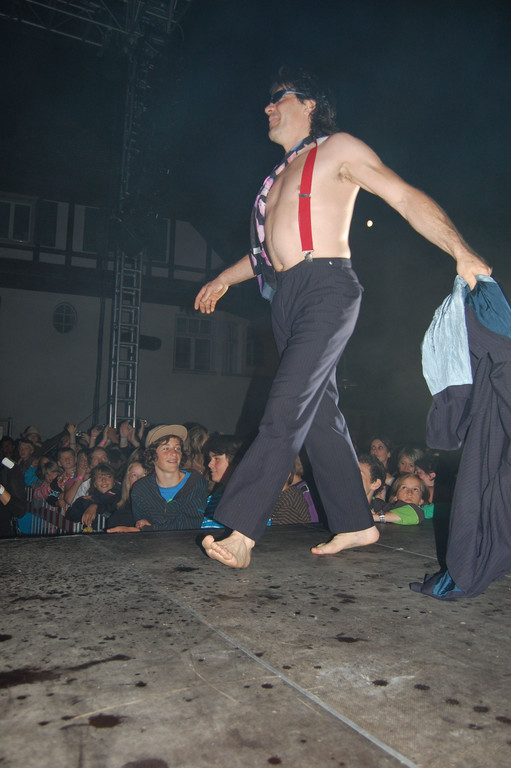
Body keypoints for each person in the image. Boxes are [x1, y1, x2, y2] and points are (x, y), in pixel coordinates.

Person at [194, 67, 491, 569]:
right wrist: (225, 278)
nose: (268, 107)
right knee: (318, 417)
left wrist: (460, 250)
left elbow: (403, 195)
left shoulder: (338, 149)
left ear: (310, 104)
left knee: (286, 404)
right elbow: (265, 253)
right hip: (285, 296)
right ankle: (355, 522)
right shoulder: (277, 176)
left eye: (279, 98)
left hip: (326, 288)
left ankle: (242, 530)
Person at [131, 425, 209, 531]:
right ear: (152, 456)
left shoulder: (195, 483)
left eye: (177, 448)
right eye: (166, 448)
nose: (174, 453)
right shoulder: (141, 489)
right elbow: (141, 526)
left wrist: (148, 528)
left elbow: (189, 527)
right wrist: (143, 524)